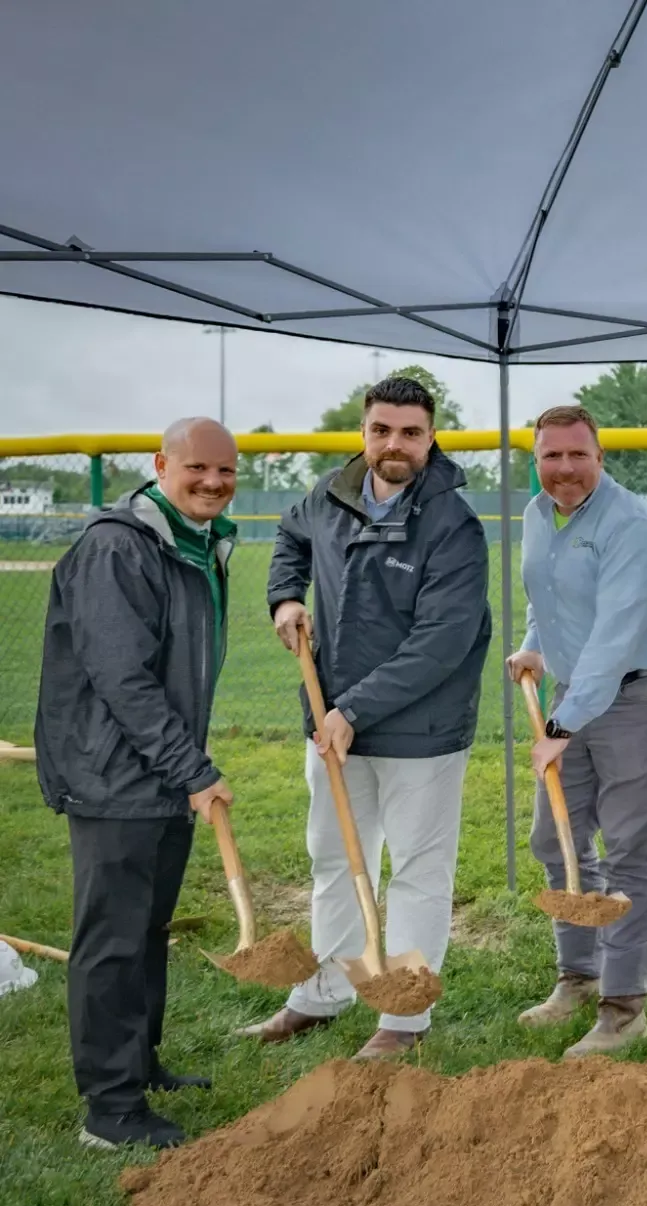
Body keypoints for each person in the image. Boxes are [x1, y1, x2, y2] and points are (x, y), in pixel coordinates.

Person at [236, 377, 492, 1060]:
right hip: (335, 725)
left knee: (416, 868)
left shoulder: (454, 525)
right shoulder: (329, 495)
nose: (394, 444)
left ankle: (402, 1020)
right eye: (382, 430)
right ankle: (323, 993)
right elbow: (290, 536)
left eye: (410, 432)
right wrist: (285, 598)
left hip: (419, 733)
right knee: (334, 860)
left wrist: (356, 707)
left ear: (431, 437)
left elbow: (441, 642)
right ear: (363, 432)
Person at [35, 418, 238, 1149]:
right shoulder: (118, 546)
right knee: (112, 939)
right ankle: (110, 1109)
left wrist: (184, 771)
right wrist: (195, 769)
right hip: (114, 776)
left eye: (226, 471)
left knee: (146, 930)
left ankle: (139, 1063)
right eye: (198, 468)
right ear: (160, 464)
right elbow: (123, 680)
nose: (213, 482)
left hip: (161, 775)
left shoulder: (196, 541)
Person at [507, 405, 647, 1058]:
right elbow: (548, 596)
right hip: (573, 694)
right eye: (550, 456)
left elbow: (615, 636)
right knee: (554, 839)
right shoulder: (536, 515)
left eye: (576, 455)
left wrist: (560, 724)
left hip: (638, 694)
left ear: (600, 457)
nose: (563, 468)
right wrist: (534, 644)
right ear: (537, 460)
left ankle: (624, 1008)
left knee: (629, 854)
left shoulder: (631, 525)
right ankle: (577, 978)